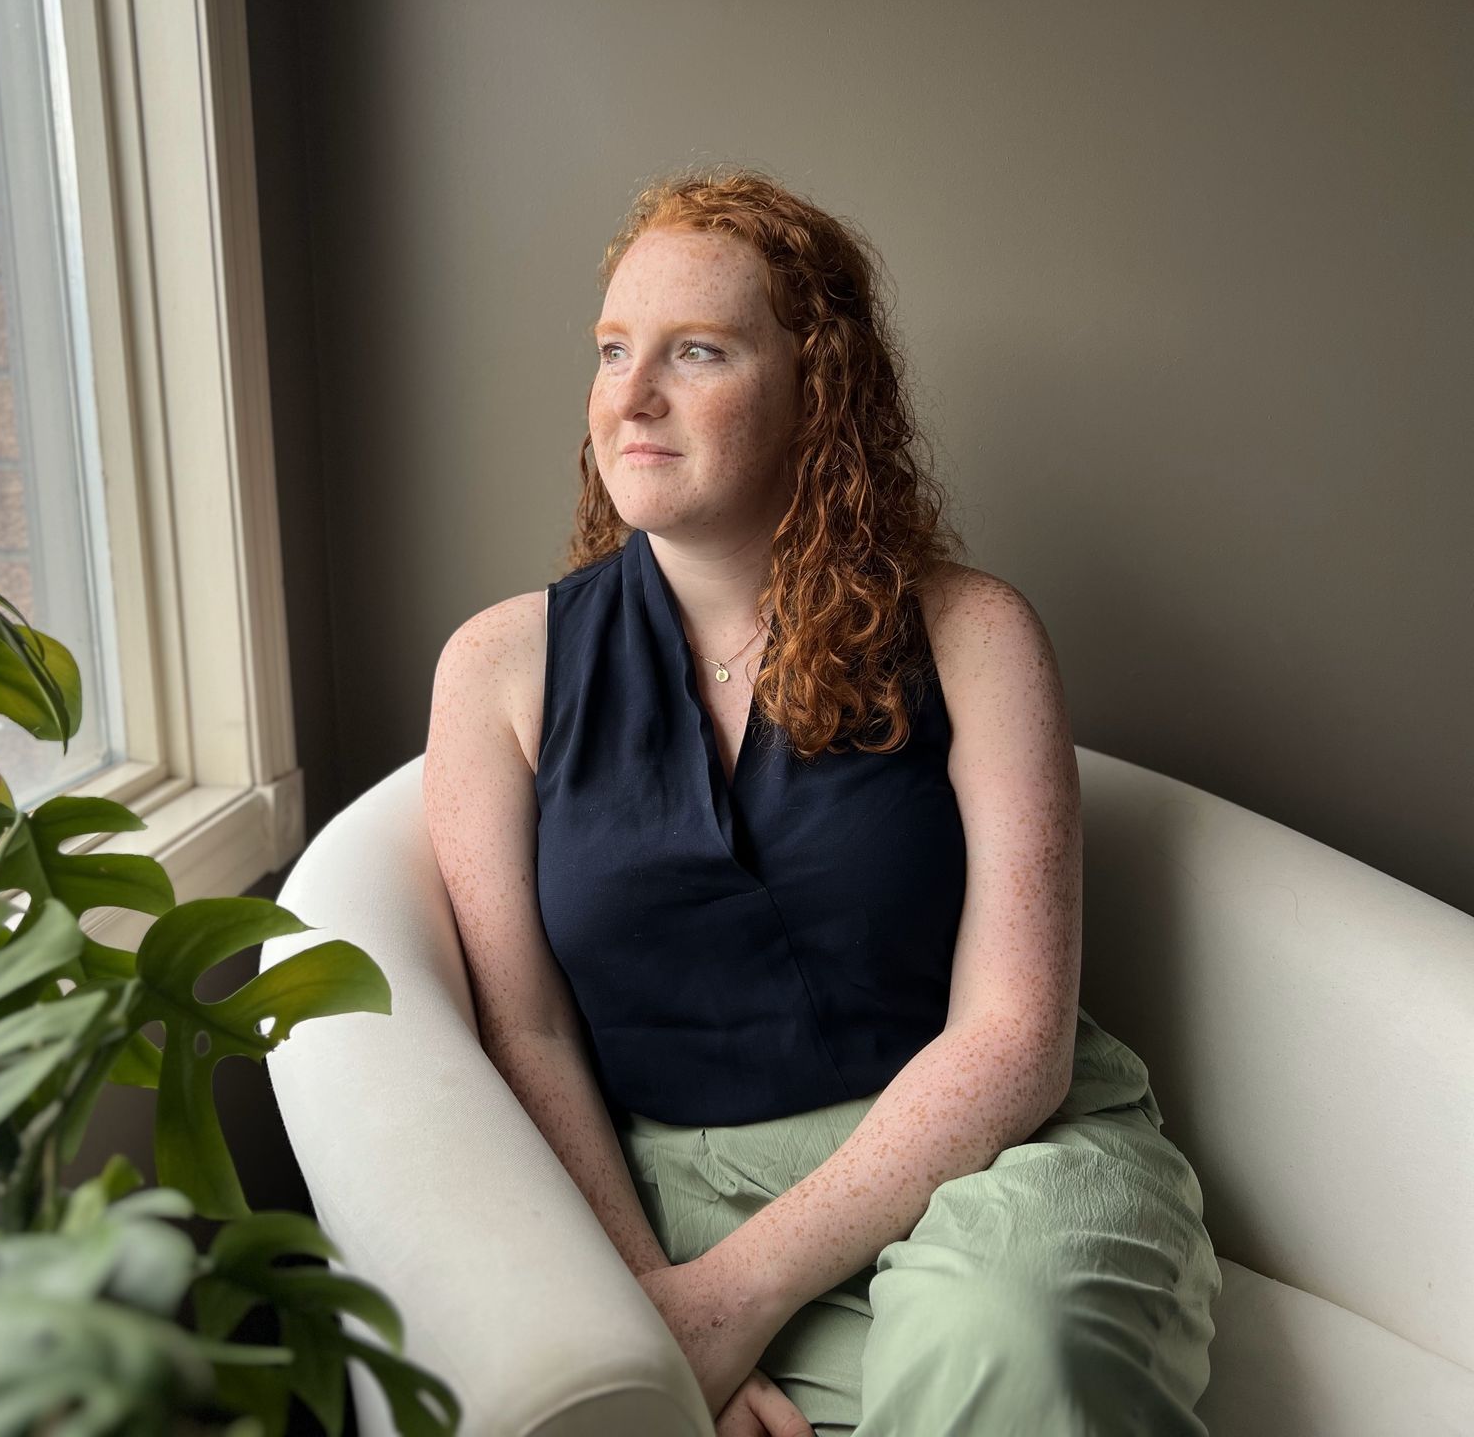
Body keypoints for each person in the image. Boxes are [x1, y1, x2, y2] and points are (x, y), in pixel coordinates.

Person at [423, 164, 1220, 1436]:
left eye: (696, 351)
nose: (629, 397)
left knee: (1007, 1346)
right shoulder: (495, 672)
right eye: (614, 349)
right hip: (671, 1201)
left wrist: (729, 1303)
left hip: (988, 1162)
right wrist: (654, 1308)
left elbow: (1017, 1038)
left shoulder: (977, 634)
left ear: (817, 394)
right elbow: (528, 1035)